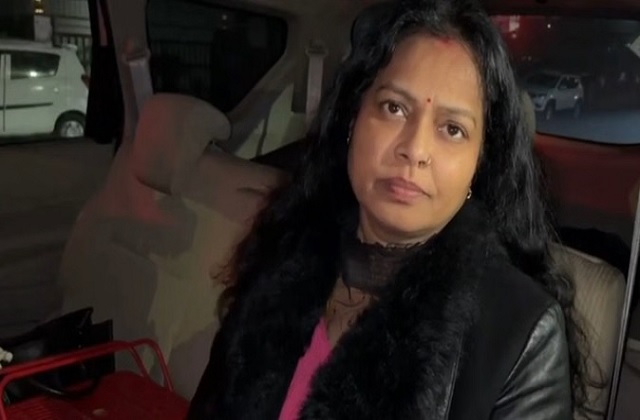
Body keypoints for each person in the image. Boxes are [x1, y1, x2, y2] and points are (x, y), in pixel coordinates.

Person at [188, 0, 592, 418]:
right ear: (352, 118)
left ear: (480, 162)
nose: (415, 149)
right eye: (394, 108)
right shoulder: (284, 250)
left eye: (453, 129)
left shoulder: (522, 336)